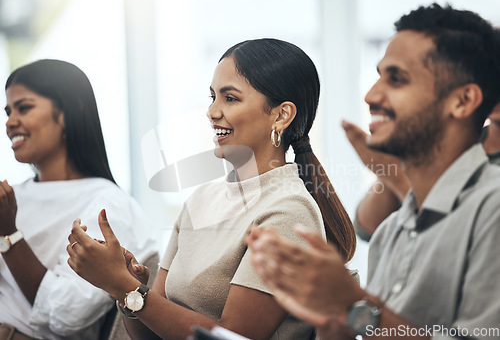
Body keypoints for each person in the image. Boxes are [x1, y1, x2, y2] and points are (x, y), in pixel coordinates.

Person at [66, 38, 357, 340]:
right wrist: (128, 288)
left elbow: (234, 337)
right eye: (212, 97)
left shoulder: (288, 210)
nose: (212, 111)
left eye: (230, 98)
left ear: (281, 115)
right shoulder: (201, 199)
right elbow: (150, 334)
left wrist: (123, 286)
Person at [247, 4, 500, 339]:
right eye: (379, 75)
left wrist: (354, 305)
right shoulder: (391, 231)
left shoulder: (492, 210)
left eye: (396, 79)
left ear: (463, 101)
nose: (371, 95)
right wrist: (331, 317)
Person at [0, 59, 156, 339]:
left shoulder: (106, 204)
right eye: (8, 111)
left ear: (69, 112)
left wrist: (9, 236)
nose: (10, 122)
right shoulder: (12, 197)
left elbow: (67, 315)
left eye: (24, 108)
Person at [343, 100, 500, 242]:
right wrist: (387, 166)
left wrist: (396, 176)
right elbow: (370, 227)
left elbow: (455, 242)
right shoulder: (454, 144)